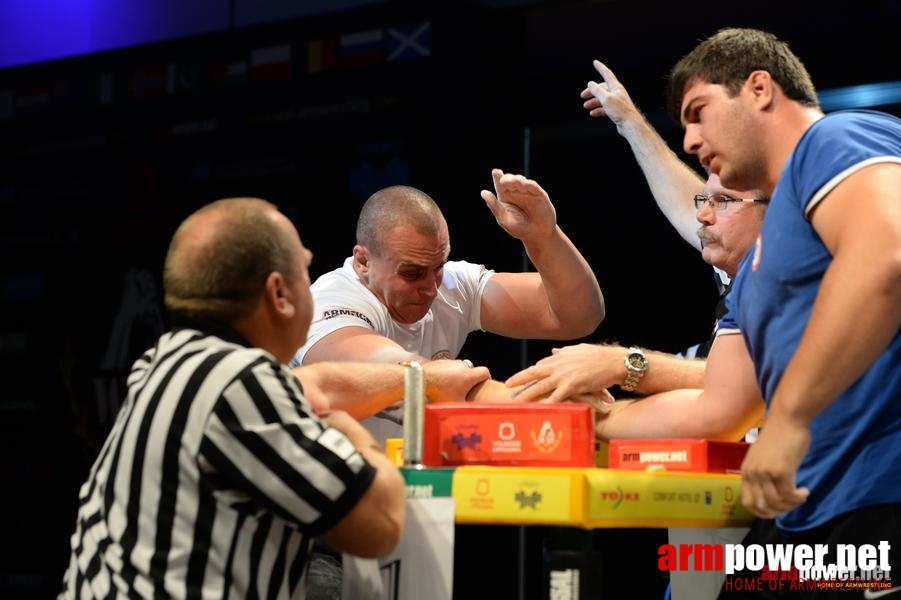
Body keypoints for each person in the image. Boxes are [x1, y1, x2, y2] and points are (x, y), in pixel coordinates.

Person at [574, 28, 900, 598]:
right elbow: (716, 406)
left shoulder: (834, 139)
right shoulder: (758, 264)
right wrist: (580, 425)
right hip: (802, 518)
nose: (693, 141)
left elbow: (889, 254)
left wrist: (791, 419)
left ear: (759, 89)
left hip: (878, 510)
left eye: (699, 114)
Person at [58, 197, 486, 599]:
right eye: (307, 271)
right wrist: (340, 426)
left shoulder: (161, 363)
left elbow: (313, 384)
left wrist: (415, 377)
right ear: (280, 294)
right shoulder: (244, 385)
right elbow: (380, 526)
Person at [508, 61, 768, 405]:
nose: (703, 216)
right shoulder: (737, 244)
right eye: (705, 200)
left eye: (722, 202)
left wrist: (622, 364)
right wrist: (630, 122)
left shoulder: (796, 279)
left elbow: (747, 379)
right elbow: (686, 202)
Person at [292, 168, 606, 439]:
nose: (430, 288)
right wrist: (546, 403)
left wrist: (544, 238)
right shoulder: (330, 302)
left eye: (439, 267)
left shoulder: (453, 284)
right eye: (412, 273)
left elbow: (578, 316)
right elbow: (409, 375)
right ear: (363, 261)